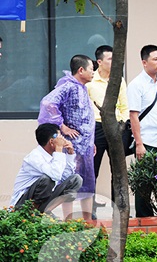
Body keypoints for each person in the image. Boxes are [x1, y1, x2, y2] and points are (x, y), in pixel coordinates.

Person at [38, 54, 95, 220]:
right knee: (70, 183)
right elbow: (48, 103)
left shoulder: (82, 88)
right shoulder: (68, 86)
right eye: (91, 69)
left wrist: (90, 142)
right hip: (72, 147)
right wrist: (62, 126)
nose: (93, 73)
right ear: (81, 70)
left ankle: (87, 221)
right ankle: (68, 221)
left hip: (85, 146)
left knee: (88, 184)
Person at [127, 44, 157, 217]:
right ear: (144, 62)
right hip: (147, 141)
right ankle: (143, 220)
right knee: (145, 183)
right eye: (155, 59)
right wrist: (139, 144)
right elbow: (134, 116)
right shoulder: (136, 84)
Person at [86, 45, 129, 214]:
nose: (114, 62)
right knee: (92, 170)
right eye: (110, 59)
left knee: (118, 171)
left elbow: (125, 105)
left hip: (117, 127)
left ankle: (119, 209)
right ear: (99, 62)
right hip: (96, 128)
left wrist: (123, 124)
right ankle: (90, 209)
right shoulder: (90, 81)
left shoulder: (119, 79)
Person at [11, 123, 82, 216]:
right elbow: (55, 175)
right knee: (47, 179)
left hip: (42, 202)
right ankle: (32, 213)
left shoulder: (56, 155)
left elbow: (65, 176)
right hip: (23, 204)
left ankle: (44, 211)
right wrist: (59, 149)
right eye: (59, 137)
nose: (63, 139)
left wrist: (70, 153)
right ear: (52, 141)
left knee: (76, 179)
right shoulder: (35, 156)